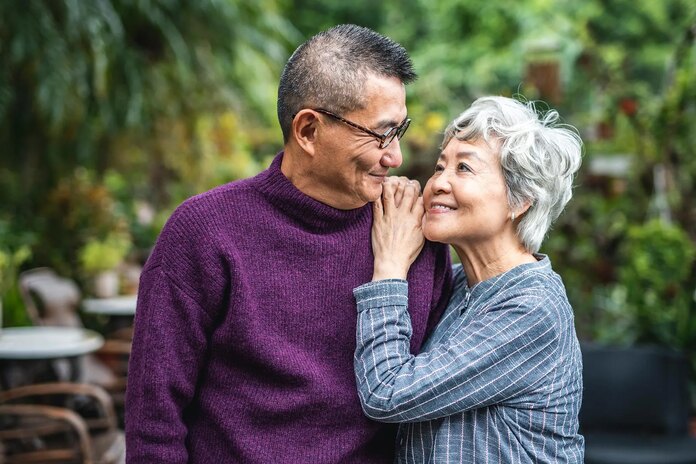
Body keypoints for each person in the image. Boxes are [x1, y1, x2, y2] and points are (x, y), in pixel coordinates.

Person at [125, 24, 452, 463]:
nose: (394, 156)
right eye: (380, 134)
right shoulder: (204, 232)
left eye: (400, 131)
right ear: (308, 131)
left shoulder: (411, 232)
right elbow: (154, 424)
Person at [354, 96, 585, 463]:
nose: (438, 184)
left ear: (520, 198)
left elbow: (386, 391)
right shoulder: (459, 286)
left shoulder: (533, 308)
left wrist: (389, 267)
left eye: (463, 168)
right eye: (439, 166)